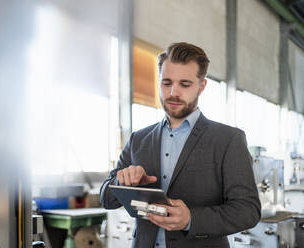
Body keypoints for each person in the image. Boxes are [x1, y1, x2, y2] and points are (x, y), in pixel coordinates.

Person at [99, 42, 261, 248]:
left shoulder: (228, 139)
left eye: (185, 84)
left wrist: (191, 219)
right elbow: (106, 198)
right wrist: (123, 182)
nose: (173, 92)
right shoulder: (138, 139)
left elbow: (248, 211)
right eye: (166, 83)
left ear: (202, 86)